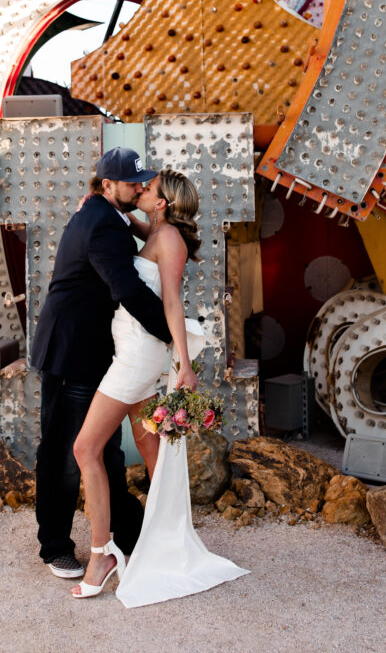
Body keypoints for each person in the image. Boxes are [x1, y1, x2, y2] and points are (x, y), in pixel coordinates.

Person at [71, 169, 248, 603]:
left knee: (85, 449)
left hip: (138, 356)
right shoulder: (158, 230)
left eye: (147, 190)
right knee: (148, 444)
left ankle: (101, 555)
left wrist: (183, 363)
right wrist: (98, 205)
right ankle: (165, 541)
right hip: (134, 347)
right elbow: (130, 222)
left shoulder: (168, 241)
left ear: (163, 202)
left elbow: (171, 300)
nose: (140, 191)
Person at [31, 146, 172, 579]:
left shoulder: (104, 214)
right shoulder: (103, 225)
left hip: (89, 349)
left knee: (102, 449)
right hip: (72, 352)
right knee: (64, 453)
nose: (140, 187)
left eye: (141, 181)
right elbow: (126, 289)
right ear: (108, 185)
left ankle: (127, 535)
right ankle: (55, 546)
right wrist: (173, 335)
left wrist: (147, 218)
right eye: (133, 183)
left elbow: (138, 235)